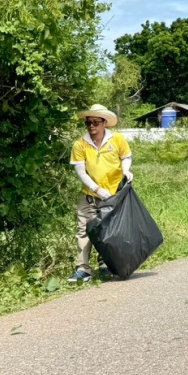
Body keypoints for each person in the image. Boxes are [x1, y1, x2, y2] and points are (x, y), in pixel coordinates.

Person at [68, 104, 132, 283]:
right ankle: (83, 269)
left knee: (109, 231)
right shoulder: (80, 144)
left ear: (105, 123)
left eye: (96, 122)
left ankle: (106, 264)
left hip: (113, 195)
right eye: (88, 123)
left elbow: (125, 156)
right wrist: (97, 189)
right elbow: (81, 172)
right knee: (84, 230)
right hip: (90, 195)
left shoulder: (117, 139)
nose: (91, 126)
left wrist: (126, 171)